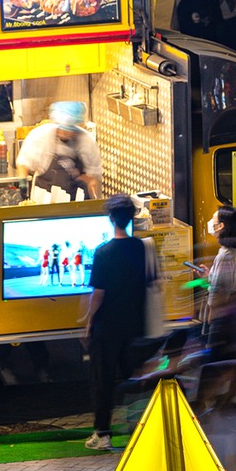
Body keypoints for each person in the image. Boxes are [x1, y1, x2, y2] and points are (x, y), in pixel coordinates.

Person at [82, 194, 154, 452]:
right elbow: (152, 284)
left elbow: (98, 293)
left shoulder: (103, 252)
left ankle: (102, 434)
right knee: (136, 379)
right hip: (136, 325)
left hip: (108, 328)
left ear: (111, 218)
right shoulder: (143, 248)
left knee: (102, 381)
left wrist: (89, 322)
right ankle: (141, 430)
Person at [17, 100, 104, 199]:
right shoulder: (40, 136)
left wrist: (93, 201)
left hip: (77, 202)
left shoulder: (87, 141)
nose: (64, 134)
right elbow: (23, 162)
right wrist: (22, 184)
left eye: (69, 131)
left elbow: (93, 178)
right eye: (62, 130)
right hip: (44, 200)